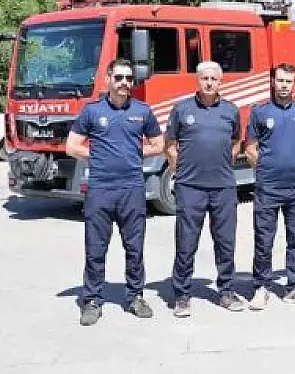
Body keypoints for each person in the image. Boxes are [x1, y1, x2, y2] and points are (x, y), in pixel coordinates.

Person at [65, 58, 164, 326]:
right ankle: (93, 300)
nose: (124, 83)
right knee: (96, 248)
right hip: (101, 189)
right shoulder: (92, 111)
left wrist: (132, 154)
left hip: (132, 189)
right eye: (118, 77)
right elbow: (72, 146)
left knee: (135, 248)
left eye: (128, 78)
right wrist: (97, 157)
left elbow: (158, 144)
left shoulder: (142, 111)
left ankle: (135, 297)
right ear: (108, 79)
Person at [165, 61, 245, 317]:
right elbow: (169, 144)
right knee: (186, 242)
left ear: (221, 82)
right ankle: (182, 295)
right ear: (197, 80)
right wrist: (182, 169)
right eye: (204, 78)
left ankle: (226, 291)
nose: (209, 83)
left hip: (223, 187)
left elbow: (236, 141)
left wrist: (223, 163)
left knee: (225, 242)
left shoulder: (231, 111)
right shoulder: (182, 109)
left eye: (214, 79)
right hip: (190, 188)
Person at [244, 63, 295, 309]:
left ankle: (294, 285)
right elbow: (250, 148)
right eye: (280, 80)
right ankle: (261, 286)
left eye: (288, 81)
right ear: (273, 82)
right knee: (264, 239)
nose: (284, 85)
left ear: (294, 84)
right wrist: (263, 167)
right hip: (268, 187)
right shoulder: (260, 112)